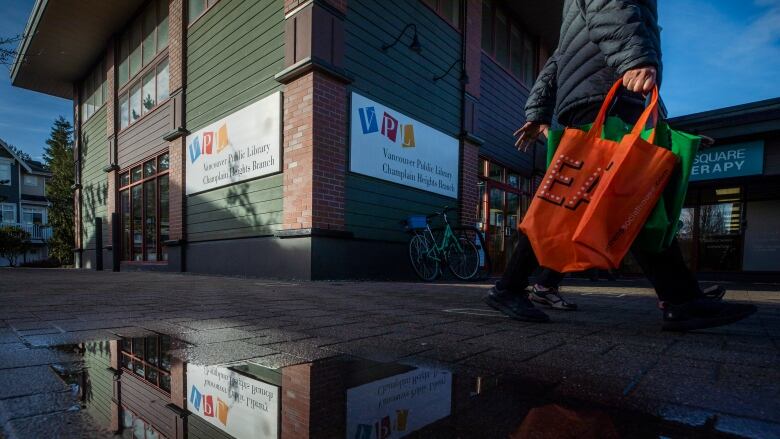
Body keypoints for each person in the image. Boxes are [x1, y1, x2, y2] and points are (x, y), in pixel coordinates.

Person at [484, 0, 756, 331]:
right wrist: (635, 57)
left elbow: (559, 57)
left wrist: (537, 110)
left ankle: (680, 297)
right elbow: (608, 4)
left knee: (577, 200)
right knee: (622, 196)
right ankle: (681, 298)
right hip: (604, 93)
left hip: (599, 92)